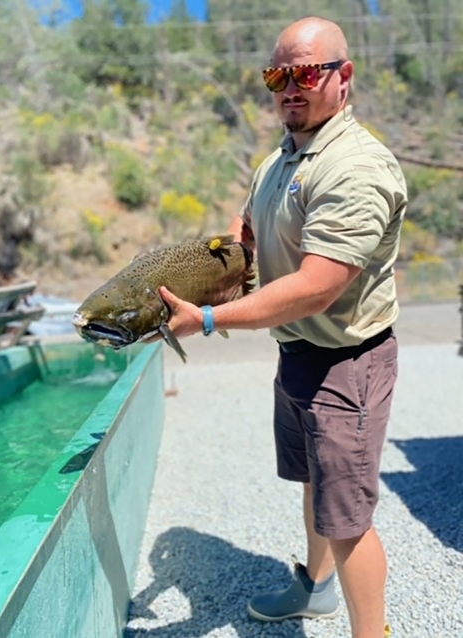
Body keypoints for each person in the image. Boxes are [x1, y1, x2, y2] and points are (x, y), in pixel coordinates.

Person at [157, 16, 407, 638]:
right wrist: (216, 262)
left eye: (304, 73)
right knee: (315, 483)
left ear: (342, 77)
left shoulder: (356, 168)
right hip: (299, 352)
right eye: (277, 75)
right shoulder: (280, 158)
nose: (289, 87)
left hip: (348, 362)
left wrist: (210, 317)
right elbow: (250, 233)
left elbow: (318, 284)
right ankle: (315, 591)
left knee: (347, 516)